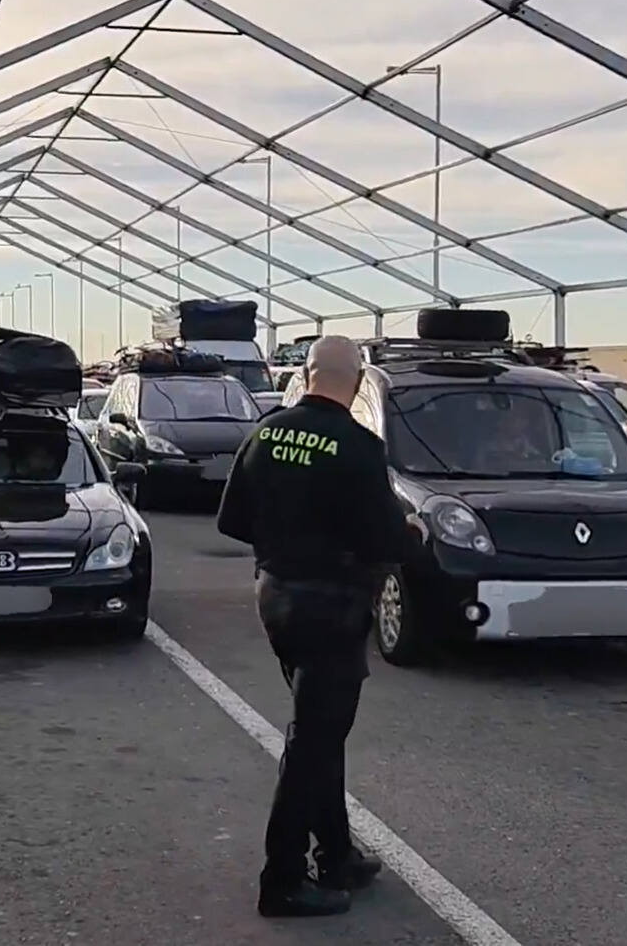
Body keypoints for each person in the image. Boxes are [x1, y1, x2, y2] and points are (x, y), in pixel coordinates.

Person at [215, 334, 419, 918]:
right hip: (331, 607)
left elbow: (232, 521)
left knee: (320, 733)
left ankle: (336, 854)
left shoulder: (266, 430)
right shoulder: (357, 445)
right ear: (355, 382)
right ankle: (282, 878)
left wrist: (288, 538)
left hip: (276, 598)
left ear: (305, 375)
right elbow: (385, 541)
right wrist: (410, 533)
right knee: (312, 743)